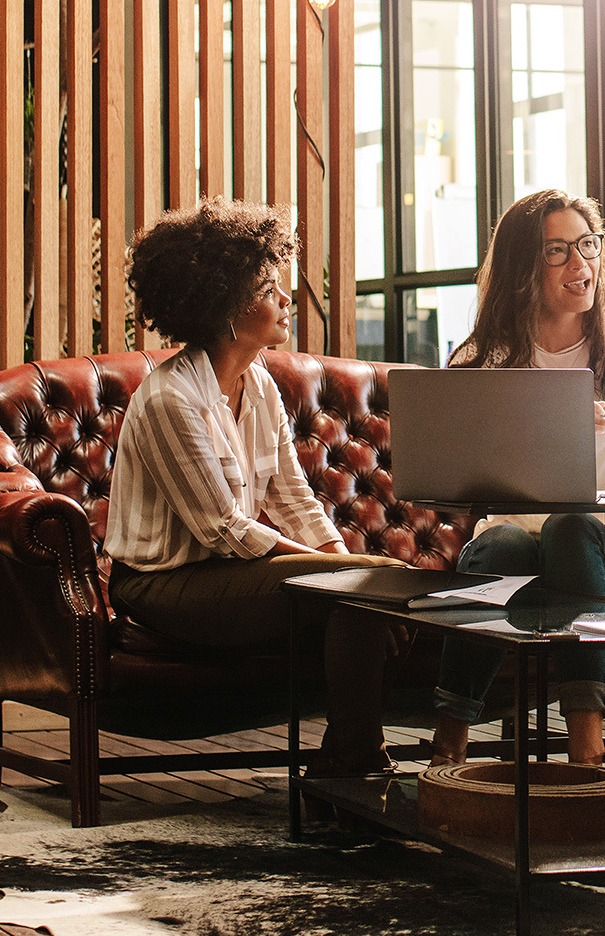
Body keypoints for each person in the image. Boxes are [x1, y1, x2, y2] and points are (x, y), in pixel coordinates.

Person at [102, 199, 403, 776]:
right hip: (162, 588)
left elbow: (294, 499)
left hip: (228, 576)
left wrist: (344, 565)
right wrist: (348, 576)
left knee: (362, 592)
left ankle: (350, 765)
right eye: (270, 289)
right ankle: (356, 767)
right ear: (229, 309)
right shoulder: (171, 398)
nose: (286, 299)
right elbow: (224, 530)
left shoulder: (259, 385)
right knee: (365, 586)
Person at [427, 190, 605, 771]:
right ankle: (449, 743)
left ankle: (586, 747)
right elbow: (465, 482)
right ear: (525, 267)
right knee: (496, 542)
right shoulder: (486, 355)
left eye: (588, 245)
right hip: (518, 546)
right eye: (557, 251)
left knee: (574, 528)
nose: (581, 265)